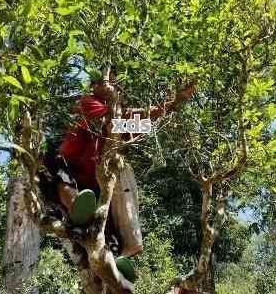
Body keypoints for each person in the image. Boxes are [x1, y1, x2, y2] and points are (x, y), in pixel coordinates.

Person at [39, 78, 196, 259]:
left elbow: (142, 123)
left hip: (97, 184)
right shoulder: (87, 102)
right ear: (95, 86)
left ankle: (118, 253)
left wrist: (173, 102)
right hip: (70, 173)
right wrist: (161, 106)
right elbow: (112, 120)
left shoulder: (118, 123)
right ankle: (78, 211)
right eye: (105, 83)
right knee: (57, 174)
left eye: (114, 84)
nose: (111, 87)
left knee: (120, 175)